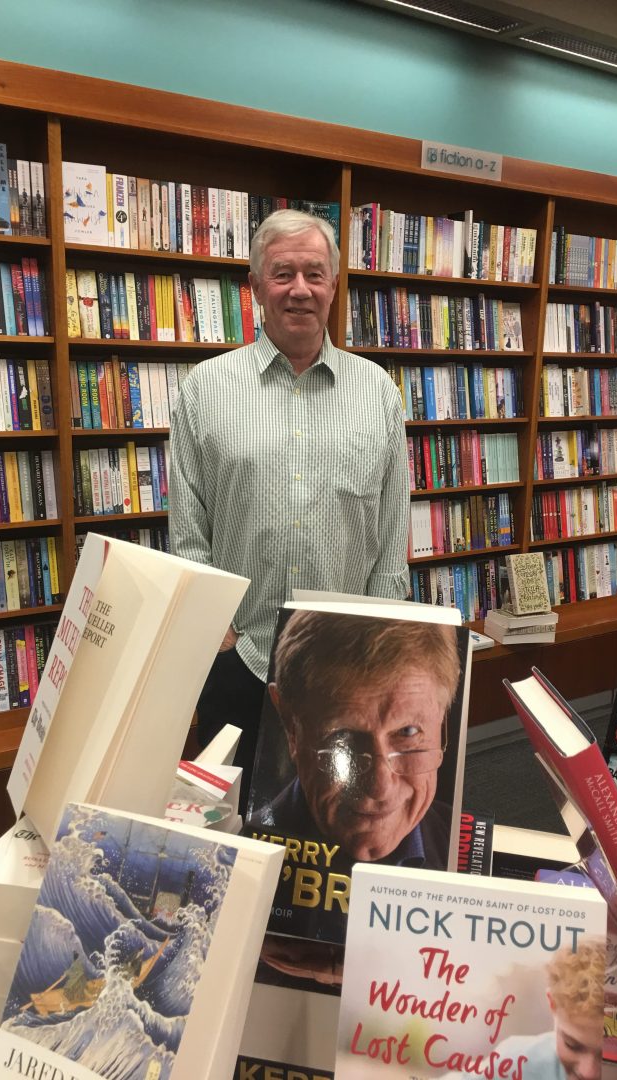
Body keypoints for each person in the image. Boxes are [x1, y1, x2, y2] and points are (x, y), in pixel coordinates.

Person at [169, 209, 410, 804]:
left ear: (333, 286)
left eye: (314, 274)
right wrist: (215, 634)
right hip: (240, 657)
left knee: (341, 826)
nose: (300, 289)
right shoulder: (205, 388)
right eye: (282, 274)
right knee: (229, 833)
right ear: (255, 288)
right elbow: (189, 531)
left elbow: (389, 531)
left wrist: (380, 642)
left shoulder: (377, 390)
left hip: (348, 664)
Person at [247, 608, 462, 866]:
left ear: (443, 720)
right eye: (344, 737)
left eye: (408, 732)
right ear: (291, 726)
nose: (379, 788)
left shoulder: (462, 848)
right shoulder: (239, 858)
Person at [493, 940, 606, 1080]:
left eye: (607, 1056)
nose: (588, 1072)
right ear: (552, 1003)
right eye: (572, 1045)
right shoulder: (515, 1064)